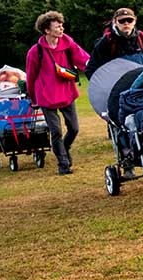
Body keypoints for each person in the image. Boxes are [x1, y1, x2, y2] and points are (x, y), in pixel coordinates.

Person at [24, 11, 92, 175]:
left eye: (62, 25)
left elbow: (85, 60)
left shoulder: (69, 44)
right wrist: (33, 98)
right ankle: (63, 164)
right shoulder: (35, 51)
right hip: (46, 96)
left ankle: (65, 147)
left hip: (67, 93)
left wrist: (96, 68)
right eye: (57, 26)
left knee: (74, 129)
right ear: (47, 30)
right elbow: (31, 76)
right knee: (56, 132)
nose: (62, 28)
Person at [84, 7, 143, 78]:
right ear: (115, 22)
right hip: (115, 85)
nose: (126, 23)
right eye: (121, 20)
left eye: (129, 20)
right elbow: (91, 69)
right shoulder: (107, 42)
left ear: (135, 21)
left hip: (141, 83)